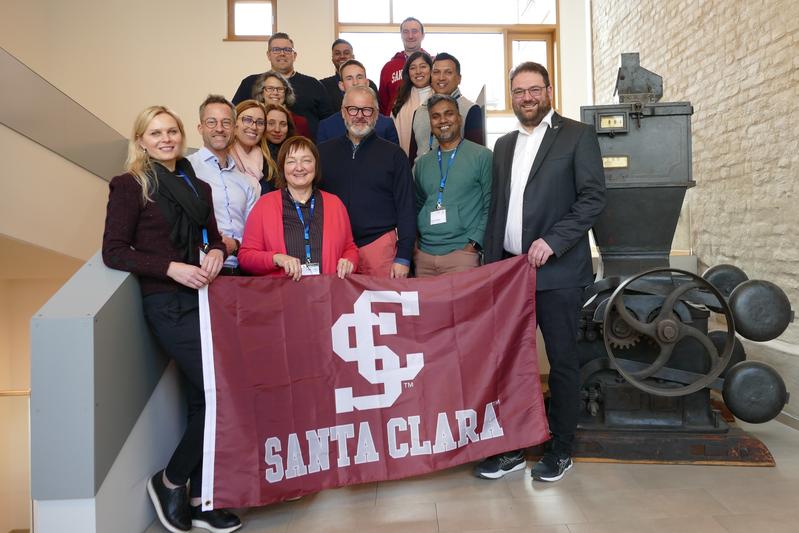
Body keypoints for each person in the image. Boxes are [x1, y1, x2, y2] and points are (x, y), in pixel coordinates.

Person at [102, 106, 242, 532]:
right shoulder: (130, 185)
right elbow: (115, 250)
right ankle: (171, 481)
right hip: (167, 301)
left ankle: (200, 499)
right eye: (156, 132)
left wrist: (218, 251)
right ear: (141, 140)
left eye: (172, 131)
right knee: (219, 394)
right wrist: (170, 267)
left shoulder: (196, 184)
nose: (166, 139)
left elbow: (215, 237)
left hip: (204, 299)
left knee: (204, 399)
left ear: (182, 135)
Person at [474, 62, 606, 482]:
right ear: (511, 97)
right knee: (512, 363)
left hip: (560, 272)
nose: (527, 97)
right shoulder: (505, 144)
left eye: (534, 89)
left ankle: (561, 448)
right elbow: (499, 210)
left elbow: (592, 198)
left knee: (563, 361)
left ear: (548, 91)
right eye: (518, 91)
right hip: (511, 274)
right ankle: (513, 448)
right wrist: (492, 268)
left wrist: (553, 240)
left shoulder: (577, 136)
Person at [319, 86, 415, 278]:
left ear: (377, 114)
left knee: (384, 305)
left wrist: (404, 256)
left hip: (380, 249)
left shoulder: (394, 154)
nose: (359, 116)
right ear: (343, 113)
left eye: (367, 110)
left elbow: (407, 207)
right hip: (335, 250)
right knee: (338, 307)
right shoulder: (322, 153)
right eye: (353, 109)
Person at [238, 136, 358, 279]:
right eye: (291, 161)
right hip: (281, 297)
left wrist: (349, 261)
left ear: (316, 165)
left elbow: (350, 249)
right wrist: (276, 258)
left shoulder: (335, 204)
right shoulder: (264, 205)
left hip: (326, 294)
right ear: (282, 167)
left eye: (306, 160)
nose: (299, 167)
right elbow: (245, 257)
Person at [413, 95, 491, 277]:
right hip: (425, 257)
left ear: (459, 118)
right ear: (431, 123)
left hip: (462, 256)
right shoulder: (423, 163)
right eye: (436, 116)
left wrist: (473, 246)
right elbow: (417, 206)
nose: (442, 120)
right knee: (428, 306)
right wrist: (416, 248)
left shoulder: (482, 156)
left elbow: (492, 205)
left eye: (449, 114)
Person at [186, 95, 258, 276]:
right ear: (200, 128)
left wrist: (237, 244)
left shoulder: (245, 181)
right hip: (200, 271)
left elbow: (254, 231)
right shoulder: (185, 171)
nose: (219, 128)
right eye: (211, 122)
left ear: (234, 129)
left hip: (241, 271)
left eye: (226, 123)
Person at [233, 32, 332, 139]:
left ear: (295, 55)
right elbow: (233, 114)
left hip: (304, 148)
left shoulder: (313, 85)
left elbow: (328, 122)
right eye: (276, 50)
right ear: (268, 55)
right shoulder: (250, 83)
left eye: (287, 50)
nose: (282, 53)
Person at [409, 52, 485, 164]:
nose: (441, 78)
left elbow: (476, 157)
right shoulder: (419, 111)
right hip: (419, 178)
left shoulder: (471, 110)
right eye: (436, 72)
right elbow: (412, 156)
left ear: (459, 78)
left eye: (448, 72)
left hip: (455, 178)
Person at [317, 59, 399, 144]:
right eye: (349, 78)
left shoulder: (386, 124)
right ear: (341, 85)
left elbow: (394, 155)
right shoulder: (326, 126)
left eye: (359, 77)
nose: (355, 82)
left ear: (367, 83)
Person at [378, 16, 427, 116]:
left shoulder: (432, 63)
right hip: (395, 126)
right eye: (405, 32)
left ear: (422, 35)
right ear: (401, 35)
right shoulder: (388, 67)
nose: (410, 36)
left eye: (414, 31)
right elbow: (383, 105)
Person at [230, 99, 279, 196]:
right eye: (247, 120)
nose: (254, 127)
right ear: (234, 123)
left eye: (260, 123)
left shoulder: (269, 161)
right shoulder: (223, 158)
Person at [318, 39, 379, 112]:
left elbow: (376, 112)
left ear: (353, 56)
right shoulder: (323, 86)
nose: (342, 56)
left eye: (346, 53)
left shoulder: (369, 85)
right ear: (332, 58)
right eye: (337, 53)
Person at [391, 51, 433, 157]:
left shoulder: (440, 98)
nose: (418, 71)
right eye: (413, 68)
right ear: (408, 73)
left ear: (431, 69)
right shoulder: (400, 101)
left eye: (423, 66)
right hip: (403, 160)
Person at [253, 70, 312, 139]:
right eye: (270, 88)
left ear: (286, 93)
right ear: (261, 92)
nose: (275, 93)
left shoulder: (300, 122)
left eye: (280, 89)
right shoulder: (253, 119)